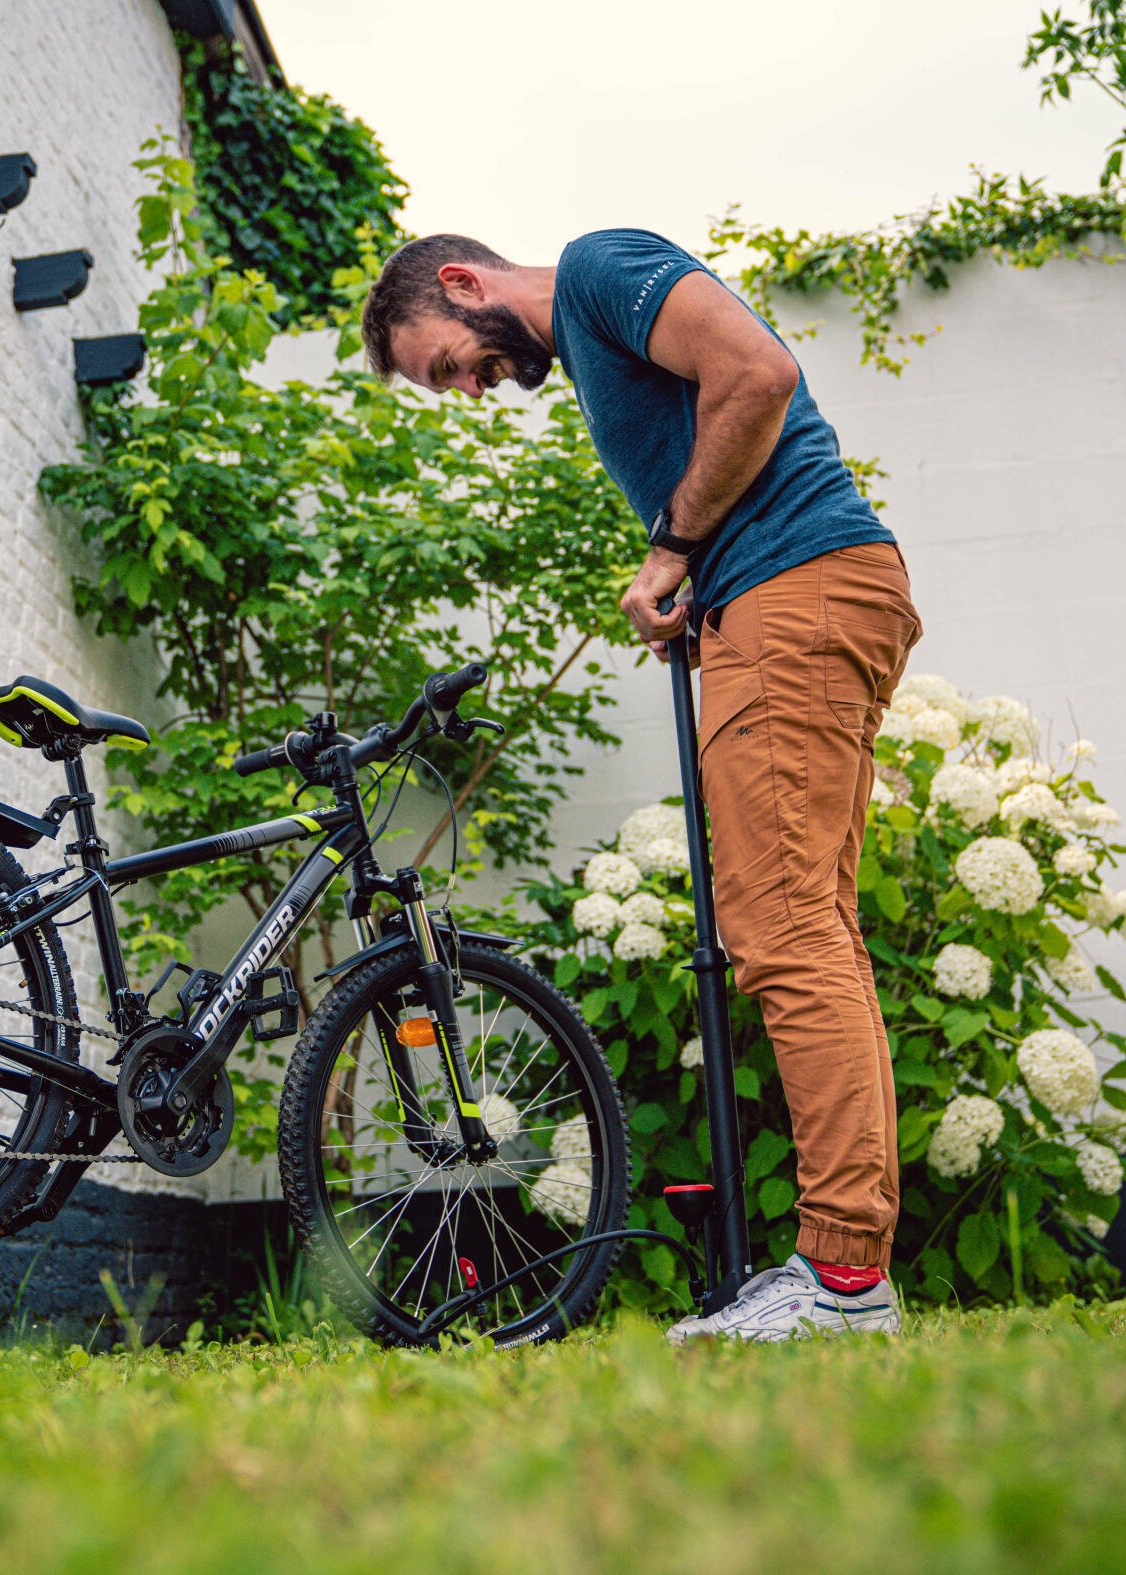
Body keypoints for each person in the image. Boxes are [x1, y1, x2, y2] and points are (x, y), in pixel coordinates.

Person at [362, 230, 922, 1342]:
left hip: (798, 589)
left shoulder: (602, 267)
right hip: (789, 595)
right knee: (815, 924)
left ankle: (846, 1284)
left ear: (463, 284)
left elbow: (760, 374)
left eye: (448, 365)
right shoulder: (587, 334)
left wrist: (673, 547)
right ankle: (844, 1270)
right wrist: (694, 590)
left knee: (783, 925)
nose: (470, 392)